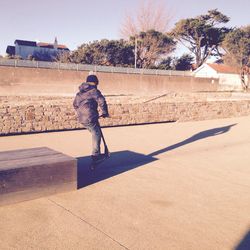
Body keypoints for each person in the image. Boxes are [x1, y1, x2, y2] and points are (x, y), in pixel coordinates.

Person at [73, 73, 109, 163]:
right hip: (90, 117)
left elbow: (75, 104)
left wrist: (81, 113)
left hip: (81, 117)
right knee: (96, 133)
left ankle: (96, 153)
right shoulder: (94, 91)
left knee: (95, 132)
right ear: (95, 82)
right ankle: (95, 155)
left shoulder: (80, 93)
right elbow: (102, 101)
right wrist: (104, 112)